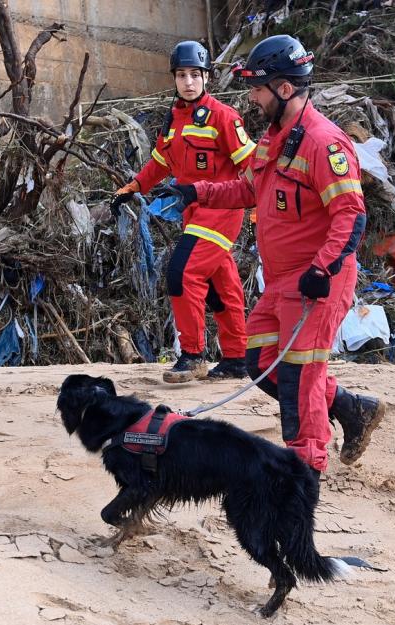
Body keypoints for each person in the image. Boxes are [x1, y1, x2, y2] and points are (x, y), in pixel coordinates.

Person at [154, 35, 386, 475]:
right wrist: (195, 189)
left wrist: (322, 269)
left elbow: (350, 215)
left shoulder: (324, 142)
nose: (252, 99)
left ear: (283, 89)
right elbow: (249, 189)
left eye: (258, 90)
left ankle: (304, 468)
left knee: (299, 375)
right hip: (282, 281)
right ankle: (353, 409)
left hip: (317, 280)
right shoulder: (276, 138)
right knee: (261, 361)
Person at [111, 41, 256, 384]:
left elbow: (252, 166)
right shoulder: (174, 119)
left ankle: (193, 356)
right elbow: (161, 163)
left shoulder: (223, 117)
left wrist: (259, 208)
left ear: (206, 77)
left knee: (181, 273)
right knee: (222, 286)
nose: (188, 82)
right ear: (174, 79)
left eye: (195, 75)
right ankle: (237, 358)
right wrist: (132, 188)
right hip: (194, 214)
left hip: (221, 211)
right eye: (181, 75)